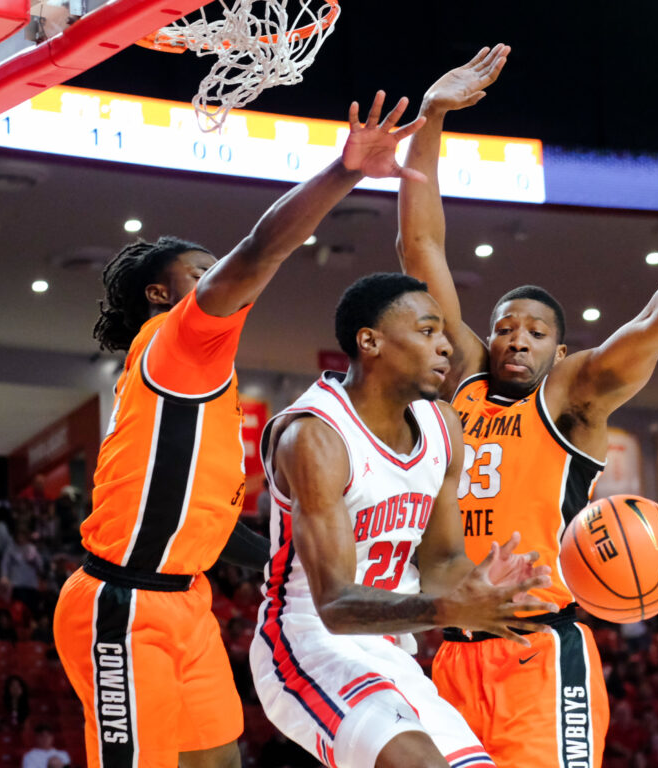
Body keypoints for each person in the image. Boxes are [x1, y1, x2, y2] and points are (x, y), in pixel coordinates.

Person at [396, 45, 658, 768]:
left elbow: (655, 325)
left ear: (560, 350)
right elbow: (420, 244)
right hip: (453, 656)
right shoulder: (459, 376)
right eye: (504, 326)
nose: (515, 339)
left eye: (535, 330)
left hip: (539, 653)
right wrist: (430, 118)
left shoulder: (573, 395)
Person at [53, 91, 428, 768]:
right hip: (123, 603)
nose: (216, 279)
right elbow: (258, 251)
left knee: (223, 761)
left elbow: (212, 525)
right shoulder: (176, 342)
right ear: (164, 295)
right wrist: (343, 172)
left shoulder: (199, 387)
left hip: (186, 599)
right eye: (200, 272)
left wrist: (303, 567)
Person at [250, 272, 557, 768]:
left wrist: (490, 595)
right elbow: (334, 605)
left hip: (392, 650)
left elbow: (443, 560)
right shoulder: (316, 436)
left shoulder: (443, 427)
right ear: (369, 342)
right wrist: (447, 609)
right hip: (306, 643)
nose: (446, 349)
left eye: (443, 335)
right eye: (428, 331)